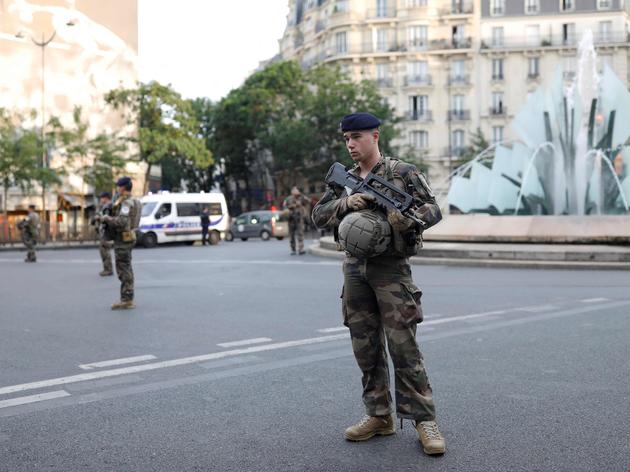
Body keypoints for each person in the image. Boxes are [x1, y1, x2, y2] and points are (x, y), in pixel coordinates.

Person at [312, 112, 446, 455]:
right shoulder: (345, 178)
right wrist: (347, 201)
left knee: (404, 348)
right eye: (346, 139)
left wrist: (405, 220)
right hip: (355, 269)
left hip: (391, 269)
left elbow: (432, 211)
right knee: (365, 347)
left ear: (375, 136)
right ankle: (379, 415)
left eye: (356, 137)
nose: (351, 144)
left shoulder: (403, 173)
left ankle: (424, 420)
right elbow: (318, 215)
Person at [103, 177, 141, 310]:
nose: (117, 189)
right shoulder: (135, 201)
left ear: (123, 188)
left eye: (119, 187)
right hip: (130, 237)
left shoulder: (126, 203)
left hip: (123, 239)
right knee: (127, 267)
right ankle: (128, 297)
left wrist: (107, 218)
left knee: (123, 269)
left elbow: (121, 222)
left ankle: (126, 300)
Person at [282, 186, 310, 255]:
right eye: (294, 190)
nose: (295, 191)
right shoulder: (288, 199)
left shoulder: (301, 198)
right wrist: (293, 206)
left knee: (300, 234)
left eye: (297, 190)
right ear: (292, 192)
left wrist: (301, 195)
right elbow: (284, 206)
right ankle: (293, 249)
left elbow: (308, 201)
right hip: (291, 219)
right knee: (291, 235)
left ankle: (301, 249)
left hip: (299, 218)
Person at [92, 192, 114, 276]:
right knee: (104, 250)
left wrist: (98, 218)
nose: (101, 200)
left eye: (101, 198)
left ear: (105, 198)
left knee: (104, 251)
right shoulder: (106, 206)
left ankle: (108, 269)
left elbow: (106, 218)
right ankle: (107, 268)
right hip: (105, 232)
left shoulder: (108, 206)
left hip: (107, 232)